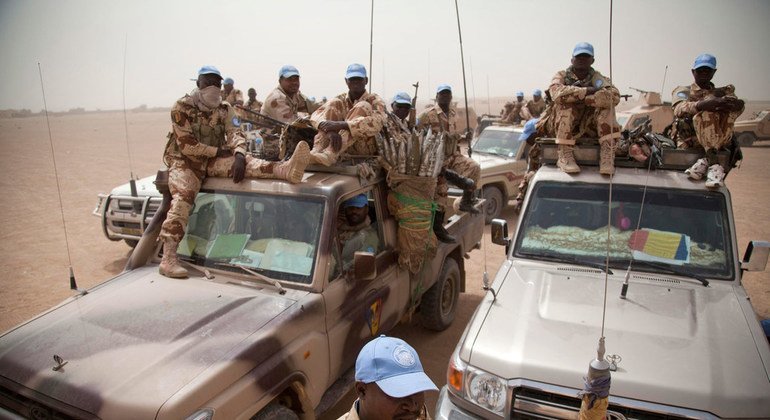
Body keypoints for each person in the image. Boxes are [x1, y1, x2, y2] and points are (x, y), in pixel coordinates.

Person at [159, 65, 311, 279]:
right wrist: (218, 151)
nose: (212, 87)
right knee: (183, 197)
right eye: (208, 82)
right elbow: (187, 145)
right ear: (198, 84)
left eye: (216, 83)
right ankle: (169, 258)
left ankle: (284, 170)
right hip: (185, 162)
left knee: (248, 163)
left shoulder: (224, 108)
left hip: (212, 159)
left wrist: (239, 153)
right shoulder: (181, 107)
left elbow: (235, 132)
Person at [538, 42, 621, 175]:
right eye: (579, 57)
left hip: (587, 124)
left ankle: (607, 154)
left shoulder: (597, 78)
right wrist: (586, 91)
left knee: (607, 107)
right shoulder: (562, 76)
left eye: (585, 57)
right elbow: (557, 94)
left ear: (592, 60)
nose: (581, 60)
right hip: (559, 125)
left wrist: (590, 100)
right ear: (572, 59)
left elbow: (614, 96)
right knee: (565, 105)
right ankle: (564, 155)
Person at [416, 84, 481, 243]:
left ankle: (466, 201)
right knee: (441, 189)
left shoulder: (452, 114)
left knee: (474, 168)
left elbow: (452, 136)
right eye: (442, 94)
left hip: (453, 155)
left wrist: (464, 138)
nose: (445, 97)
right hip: (437, 160)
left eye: (448, 94)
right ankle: (438, 227)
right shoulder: (427, 115)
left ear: (451, 96)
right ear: (437, 96)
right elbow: (416, 134)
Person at [671, 53, 744, 188]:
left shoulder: (722, 93)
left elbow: (736, 108)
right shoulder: (684, 91)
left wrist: (735, 105)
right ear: (693, 72)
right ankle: (712, 161)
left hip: (718, 141)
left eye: (708, 70)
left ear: (714, 72)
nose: (704, 73)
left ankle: (708, 160)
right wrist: (702, 105)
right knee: (704, 114)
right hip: (689, 142)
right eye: (700, 70)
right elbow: (678, 109)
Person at [338, 335, 438, 420]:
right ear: (362, 390)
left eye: (417, 389)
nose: (412, 406)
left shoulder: (414, 415)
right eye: (398, 392)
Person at [309, 63, 386, 166]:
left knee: (362, 106)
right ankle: (317, 151)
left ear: (366, 80)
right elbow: (316, 115)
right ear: (346, 81)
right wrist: (330, 130)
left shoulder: (374, 100)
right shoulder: (340, 99)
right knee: (333, 103)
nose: (355, 83)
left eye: (359, 79)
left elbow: (378, 123)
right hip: (337, 143)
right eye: (352, 79)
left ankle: (330, 154)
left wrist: (342, 125)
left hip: (363, 148)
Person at [260, 65, 315, 159]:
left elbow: (312, 106)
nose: (294, 83)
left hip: (290, 142)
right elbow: (294, 124)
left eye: (296, 79)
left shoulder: (294, 94)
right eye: (289, 79)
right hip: (276, 148)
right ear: (280, 81)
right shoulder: (277, 98)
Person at [338, 194, 380, 270]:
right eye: (350, 208)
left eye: (358, 208)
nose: (354, 211)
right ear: (345, 210)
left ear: (366, 209)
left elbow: (360, 267)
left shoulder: (368, 236)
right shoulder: (342, 228)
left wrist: (338, 269)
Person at [512, 118, 541, 212]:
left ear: (537, 133)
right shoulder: (533, 152)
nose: (527, 140)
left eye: (529, 136)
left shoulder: (556, 149)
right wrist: (520, 198)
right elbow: (528, 175)